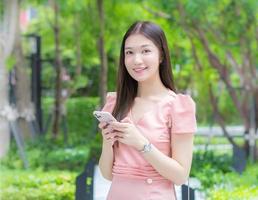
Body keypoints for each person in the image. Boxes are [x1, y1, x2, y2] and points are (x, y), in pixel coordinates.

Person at [98, 21, 197, 200]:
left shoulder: (178, 106)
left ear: (161, 55)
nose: (137, 60)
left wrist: (141, 143)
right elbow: (107, 174)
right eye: (129, 52)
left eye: (145, 51)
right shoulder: (115, 103)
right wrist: (107, 142)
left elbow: (180, 176)